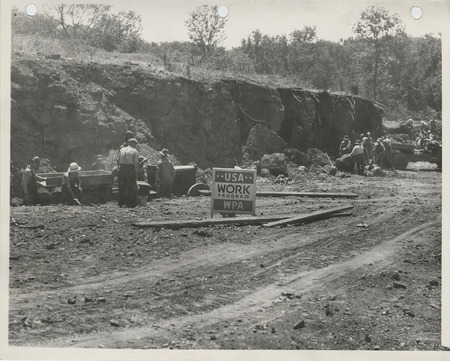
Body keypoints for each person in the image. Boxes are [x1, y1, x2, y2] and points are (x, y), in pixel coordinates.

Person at [117, 138, 139, 207]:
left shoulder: (122, 149)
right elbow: (135, 163)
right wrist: (136, 172)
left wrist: (119, 167)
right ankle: (132, 204)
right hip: (130, 169)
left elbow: (117, 160)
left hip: (121, 168)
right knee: (132, 187)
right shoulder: (135, 151)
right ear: (134, 144)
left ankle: (121, 203)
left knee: (122, 186)